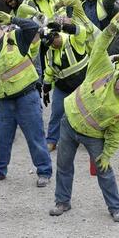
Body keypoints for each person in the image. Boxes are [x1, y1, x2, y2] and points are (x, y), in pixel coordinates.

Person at [49, 19, 119, 222]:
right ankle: (62, 201)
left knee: (105, 171)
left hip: (94, 137)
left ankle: (116, 208)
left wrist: (107, 154)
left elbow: (117, 133)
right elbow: (100, 44)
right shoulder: (102, 69)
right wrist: (110, 30)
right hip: (69, 124)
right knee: (64, 166)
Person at [0, 14, 52, 187]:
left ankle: (44, 171)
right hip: (4, 101)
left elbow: (33, 27)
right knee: (2, 138)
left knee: (35, 136)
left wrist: (13, 19)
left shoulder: (16, 37)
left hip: (26, 97)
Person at [42, 21, 88, 151]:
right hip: (62, 87)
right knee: (56, 113)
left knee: (84, 113)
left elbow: (82, 31)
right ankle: (51, 141)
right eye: (49, 44)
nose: (52, 46)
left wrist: (69, 27)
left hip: (82, 85)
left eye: (52, 42)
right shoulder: (50, 51)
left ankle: (88, 139)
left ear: (57, 35)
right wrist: (46, 88)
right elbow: (50, 70)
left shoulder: (73, 41)